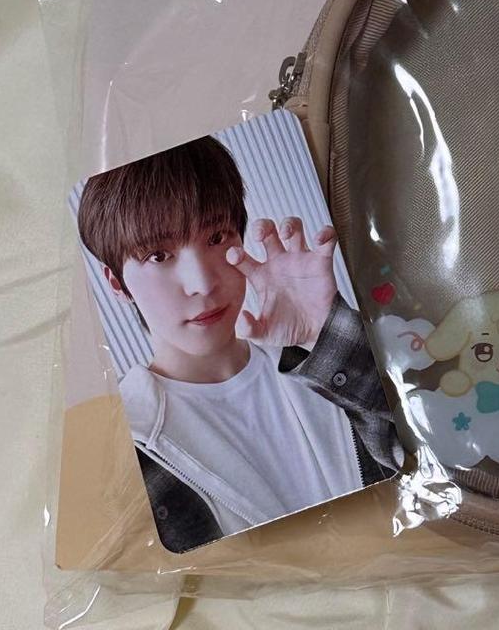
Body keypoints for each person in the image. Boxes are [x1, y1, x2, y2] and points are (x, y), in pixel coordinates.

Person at [77, 136, 397, 552]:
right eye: (158, 255)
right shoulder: (120, 445)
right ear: (118, 283)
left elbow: (440, 465)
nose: (203, 283)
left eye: (216, 237)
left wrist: (327, 334)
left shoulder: (325, 363)